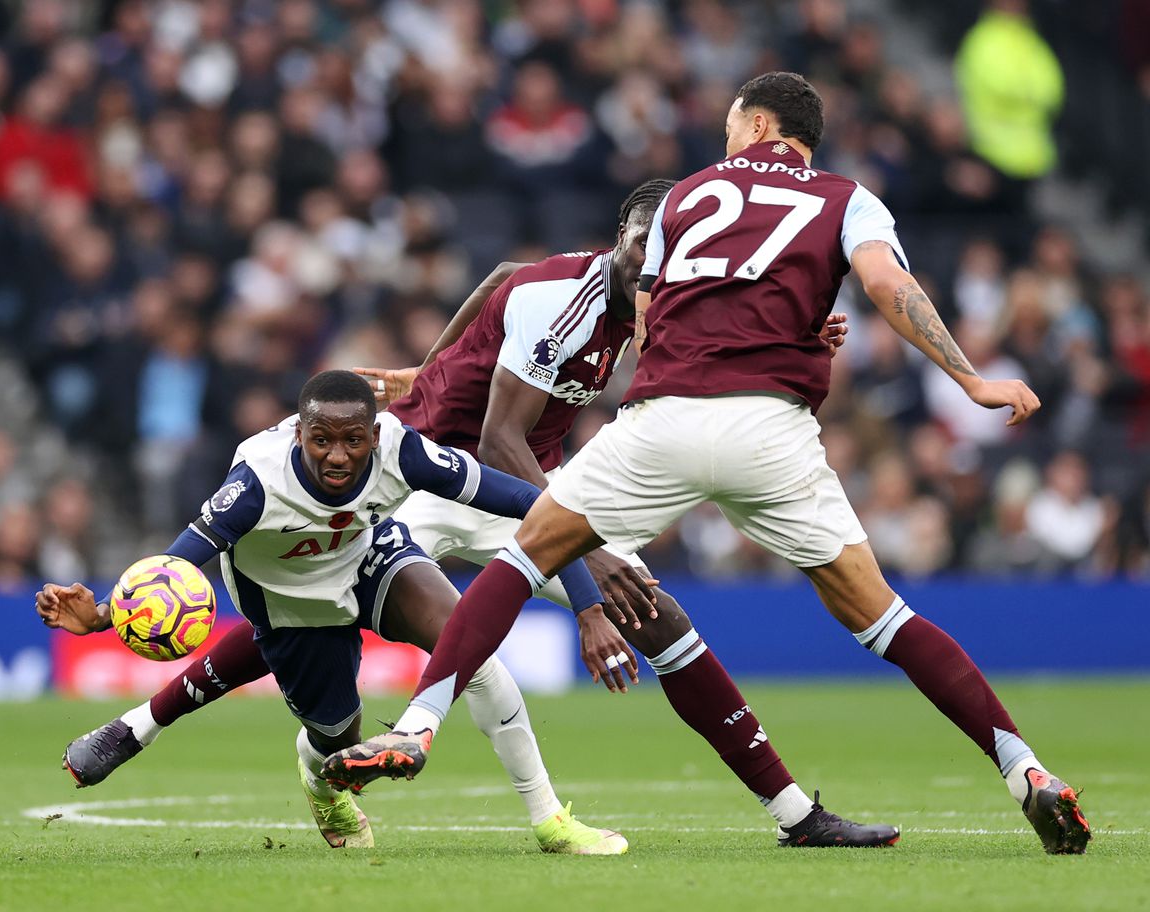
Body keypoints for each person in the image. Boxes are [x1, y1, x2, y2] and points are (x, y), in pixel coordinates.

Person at [326, 73, 1092, 857]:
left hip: (667, 420)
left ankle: (418, 729)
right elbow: (889, 284)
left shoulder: (687, 196)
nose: (728, 140)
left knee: (521, 560)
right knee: (886, 617)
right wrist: (969, 377)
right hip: (773, 431)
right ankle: (1022, 768)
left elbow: (657, 332)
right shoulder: (846, 198)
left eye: (733, 126)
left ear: (757, 124)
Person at [43, 181, 896, 849]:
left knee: (657, 612)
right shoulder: (564, 298)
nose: (653, 270)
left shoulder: (661, 299)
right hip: (429, 475)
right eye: (642, 251)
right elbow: (500, 436)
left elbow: (498, 284)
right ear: (623, 239)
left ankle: (792, 812)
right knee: (354, 610)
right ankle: (156, 722)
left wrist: (800, 343)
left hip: (509, 482)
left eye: (664, 257)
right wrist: (585, 581)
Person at [36, 370, 630, 855]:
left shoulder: (403, 450)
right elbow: (178, 567)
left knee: (468, 644)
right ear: (299, 435)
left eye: (354, 440)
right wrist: (107, 614)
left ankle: (550, 821)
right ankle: (317, 774)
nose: (338, 455)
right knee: (335, 742)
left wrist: (588, 606)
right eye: (322, 439)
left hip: (370, 557)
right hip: (289, 603)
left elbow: (535, 504)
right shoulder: (256, 483)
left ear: (374, 434)